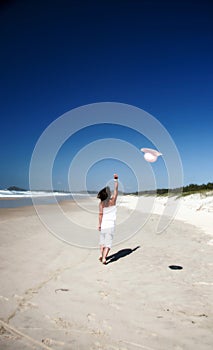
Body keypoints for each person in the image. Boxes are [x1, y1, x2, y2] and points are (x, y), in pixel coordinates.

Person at [97, 174, 119, 264]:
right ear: (109, 194)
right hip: (111, 225)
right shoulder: (113, 201)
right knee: (108, 243)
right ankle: (104, 258)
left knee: (102, 242)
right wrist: (116, 180)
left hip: (104, 225)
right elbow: (116, 190)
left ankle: (102, 255)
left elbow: (100, 215)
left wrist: (99, 224)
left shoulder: (101, 204)